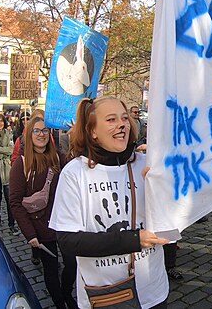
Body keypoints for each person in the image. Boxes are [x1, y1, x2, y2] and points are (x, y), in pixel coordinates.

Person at [49, 97, 170, 309]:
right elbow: (68, 241)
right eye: (111, 119)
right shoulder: (75, 173)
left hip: (154, 291)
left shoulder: (146, 164)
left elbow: (171, 222)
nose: (122, 124)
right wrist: (133, 240)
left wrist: (167, 187)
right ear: (92, 131)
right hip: (106, 295)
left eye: (124, 118)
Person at [9, 117, 77, 309]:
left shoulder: (57, 156)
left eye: (45, 131)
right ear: (29, 135)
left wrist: (76, 134)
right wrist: (30, 234)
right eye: (37, 131)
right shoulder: (21, 163)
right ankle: (59, 303)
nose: (41, 134)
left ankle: (66, 293)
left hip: (64, 223)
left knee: (71, 264)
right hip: (40, 226)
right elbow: (15, 202)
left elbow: (78, 165)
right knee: (51, 267)